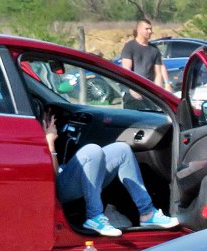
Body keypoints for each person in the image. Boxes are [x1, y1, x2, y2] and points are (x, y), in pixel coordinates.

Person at [45, 115, 178, 237]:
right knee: (92, 150)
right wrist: (50, 142)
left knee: (122, 149)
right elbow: (53, 175)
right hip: (56, 186)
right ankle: (94, 216)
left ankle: (147, 213)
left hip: (68, 174)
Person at [118, 19, 167, 89]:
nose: (150, 31)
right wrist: (133, 89)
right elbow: (126, 70)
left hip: (148, 91)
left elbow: (158, 73)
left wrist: (158, 91)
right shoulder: (129, 46)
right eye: (147, 29)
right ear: (139, 30)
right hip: (132, 89)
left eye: (150, 29)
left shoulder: (154, 49)